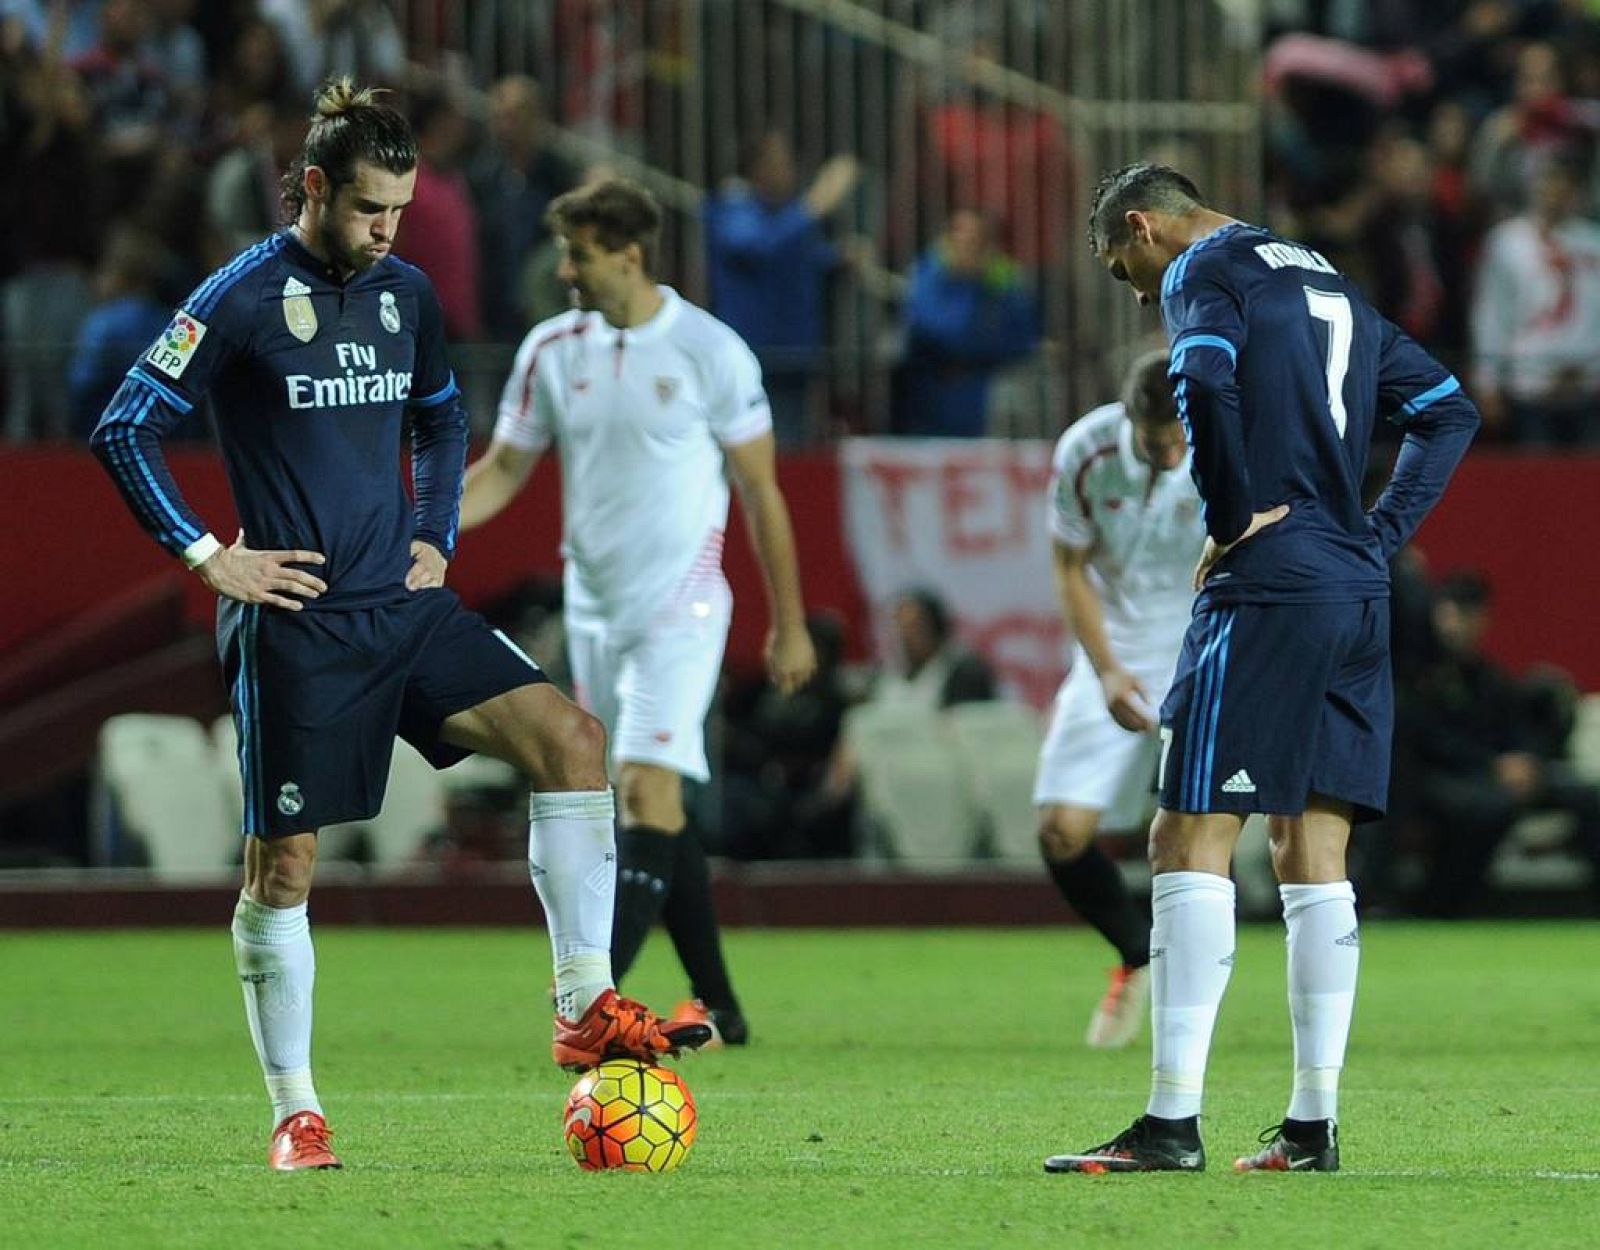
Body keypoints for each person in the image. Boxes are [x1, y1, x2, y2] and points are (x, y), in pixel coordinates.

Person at [88, 81, 707, 1173]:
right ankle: (295, 1109)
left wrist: (434, 529)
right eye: (371, 209)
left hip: (406, 605)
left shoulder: (404, 292)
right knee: (283, 866)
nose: (387, 232)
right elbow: (125, 424)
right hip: (299, 624)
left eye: (401, 213)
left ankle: (584, 1001)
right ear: (315, 187)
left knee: (571, 739)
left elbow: (440, 411)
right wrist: (210, 557)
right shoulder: (237, 296)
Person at [1045, 163, 1478, 1176]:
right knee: (1309, 852)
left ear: (1145, 228)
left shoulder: (1205, 269)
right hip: (1353, 591)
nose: (1141, 294)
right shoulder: (1327, 279)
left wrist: (1230, 516)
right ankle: (1311, 1124)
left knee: (1184, 833)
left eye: (1126, 271)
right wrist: (1377, 535)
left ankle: (1167, 1121)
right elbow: (1447, 409)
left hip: (1270, 584)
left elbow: (1199, 379)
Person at [459, 177, 817, 1048]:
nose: (565, 270)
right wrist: (411, 533)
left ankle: (591, 1005)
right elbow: (505, 469)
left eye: (579, 254)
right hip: (595, 615)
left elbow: (762, 491)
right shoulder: (553, 349)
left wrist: (790, 621)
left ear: (628, 254)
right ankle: (719, 1001)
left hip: (681, 608)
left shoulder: (708, 349)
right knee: (648, 811)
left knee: (651, 788)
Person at [1034, 349, 1204, 1050]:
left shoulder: (1224, 441)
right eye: (1155, 440)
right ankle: (1138, 954)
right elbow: (1068, 567)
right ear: (1129, 420)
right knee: (1060, 833)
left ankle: (1191, 999)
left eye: (1177, 440)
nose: (1169, 454)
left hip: (1199, 646)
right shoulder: (1085, 449)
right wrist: (1105, 669)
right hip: (1114, 652)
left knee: (1196, 835)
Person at [704, 131, 859, 446]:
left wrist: (836, 259)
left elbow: (794, 261)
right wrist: (815, 204)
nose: (790, 171)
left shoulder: (780, 213)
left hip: (794, 357)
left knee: (791, 454)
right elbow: (756, 246)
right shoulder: (734, 206)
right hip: (754, 358)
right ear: (757, 168)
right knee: (751, 450)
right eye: (782, 163)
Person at [894, 208, 1041, 438]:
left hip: (982, 393)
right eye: (960, 238)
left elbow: (1023, 339)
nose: (966, 247)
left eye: (976, 242)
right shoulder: (929, 273)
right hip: (929, 393)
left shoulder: (1004, 279)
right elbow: (933, 329)